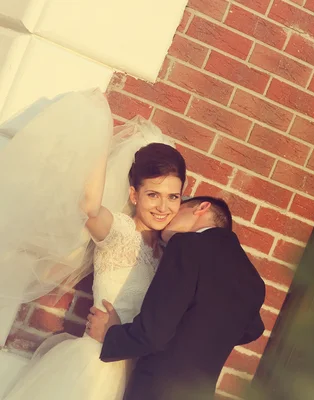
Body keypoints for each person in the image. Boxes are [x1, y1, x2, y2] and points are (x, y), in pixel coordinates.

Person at [0, 90, 187, 400]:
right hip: (94, 368)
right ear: (133, 195)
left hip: (134, 377)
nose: (163, 207)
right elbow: (89, 206)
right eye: (153, 194)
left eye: (173, 196)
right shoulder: (119, 233)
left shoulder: (169, 252)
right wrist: (99, 134)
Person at [87, 196, 266, 400]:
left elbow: (153, 334)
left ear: (202, 207)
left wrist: (110, 334)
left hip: (156, 390)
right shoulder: (253, 281)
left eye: (177, 209)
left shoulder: (188, 244)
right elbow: (253, 329)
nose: (168, 217)